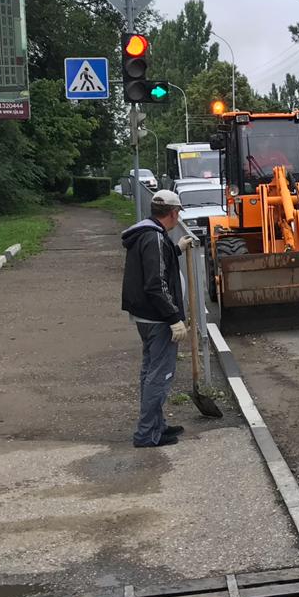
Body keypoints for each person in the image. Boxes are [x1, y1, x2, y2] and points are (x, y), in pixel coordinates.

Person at [121, 190, 194, 448]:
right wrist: (174, 317)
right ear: (173, 213)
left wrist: (176, 249)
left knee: (150, 371)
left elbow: (154, 265)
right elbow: (155, 283)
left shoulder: (148, 234)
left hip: (145, 316)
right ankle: (146, 434)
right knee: (159, 375)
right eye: (178, 214)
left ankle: (156, 426)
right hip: (158, 318)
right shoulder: (154, 238)